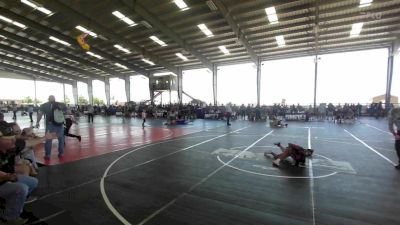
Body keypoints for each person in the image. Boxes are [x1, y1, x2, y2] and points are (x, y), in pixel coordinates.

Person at [0, 123, 39, 225]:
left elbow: (27, 143)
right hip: (2, 181)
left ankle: (13, 206)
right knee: (21, 188)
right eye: (9, 138)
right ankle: (8, 218)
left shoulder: (10, 148)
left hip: (6, 179)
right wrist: (5, 176)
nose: (14, 140)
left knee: (33, 182)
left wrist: (45, 137)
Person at [36, 95, 66, 160]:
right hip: (60, 124)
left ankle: (48, 155)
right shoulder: (60, 104)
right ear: (55, 99)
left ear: (48, 99)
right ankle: (61, 153)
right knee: (61, 139)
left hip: (50, 125)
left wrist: (37, 122)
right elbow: (66, 113)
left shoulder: (44, 105)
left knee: (48, 140)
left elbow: (40, 114)